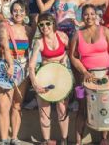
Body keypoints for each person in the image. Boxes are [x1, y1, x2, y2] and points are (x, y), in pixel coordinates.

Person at [69, 4, 109, 145]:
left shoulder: (105, 30)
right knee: (82, 109)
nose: (89, 17)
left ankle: (105, 139)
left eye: (92, 14)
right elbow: (72, 56)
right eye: (86, 14)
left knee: (107, 108)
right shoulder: (77, 34)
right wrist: (84, 72)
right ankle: (78, 141)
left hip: (106, 75)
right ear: (82, 17)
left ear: (96, 16)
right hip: (86, 78)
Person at [28, 13, 69, 145]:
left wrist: (65, 58)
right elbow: (31, 65)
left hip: (61, 77)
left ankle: (64, 140)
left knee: (62, 109)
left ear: (53, 24)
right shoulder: (39, 42)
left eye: (47, 23)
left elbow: (70, 51)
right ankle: (46, 141)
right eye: (41, 25)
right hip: (45, 76)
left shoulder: (62, 36)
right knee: (44, 111)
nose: (44, 27)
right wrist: (35, 83)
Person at [0, 0, 32, 145]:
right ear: (11, 12)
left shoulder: (28, 29)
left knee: (17, 105)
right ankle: (4, 139)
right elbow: (4, 45)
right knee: (3, 105)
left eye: (21, 11)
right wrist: (10, 65)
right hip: (7, 68)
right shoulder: (4, 26)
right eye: (15, 10)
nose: (18, 13)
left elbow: (30, 51)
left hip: (22, 70)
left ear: (25, 13)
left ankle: (14, 137)